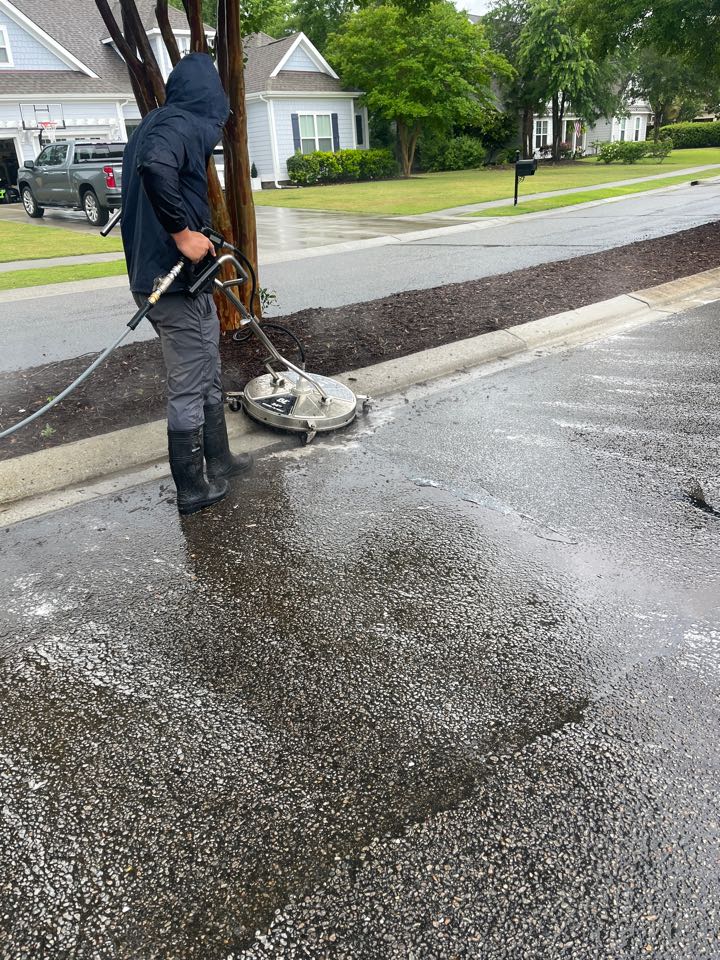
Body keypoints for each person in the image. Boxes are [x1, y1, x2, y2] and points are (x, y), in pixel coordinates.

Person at [121, 52, 251, 516]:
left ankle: (220, 461)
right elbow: (156, 167)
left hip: (178, 282)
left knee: (207, 368)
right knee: (189, 384)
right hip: (170, 286)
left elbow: (155, 172)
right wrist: (182, 233)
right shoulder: (181, 124)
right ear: (210, 100)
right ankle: (192, 487)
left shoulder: (153, 124)